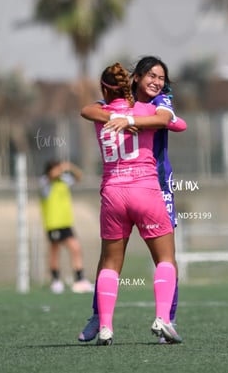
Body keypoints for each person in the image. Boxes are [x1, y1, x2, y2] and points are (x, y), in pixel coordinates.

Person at [78, 56, 186, 344]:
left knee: (123, 261)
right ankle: (101, 316)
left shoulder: (161, 101)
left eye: (161, 77)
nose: (157, 82)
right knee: (156, 259)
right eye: (151, 75)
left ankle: (165, 320)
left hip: (142, 186)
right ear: (134, 78)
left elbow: (170, 120)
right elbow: (176, 125)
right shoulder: (135, 107)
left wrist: (127, 120)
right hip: (145, 187)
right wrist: (124, 119)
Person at [39, 160, 94, 294]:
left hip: (66, 223)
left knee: (76, 248)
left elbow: (79, 176)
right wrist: (60, 169)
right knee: (54, 252)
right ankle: (55, 280)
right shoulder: (45, 182)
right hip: (53, 224)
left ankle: (80, 279)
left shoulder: (63, 181)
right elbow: (51, 176)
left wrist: (70, 167)